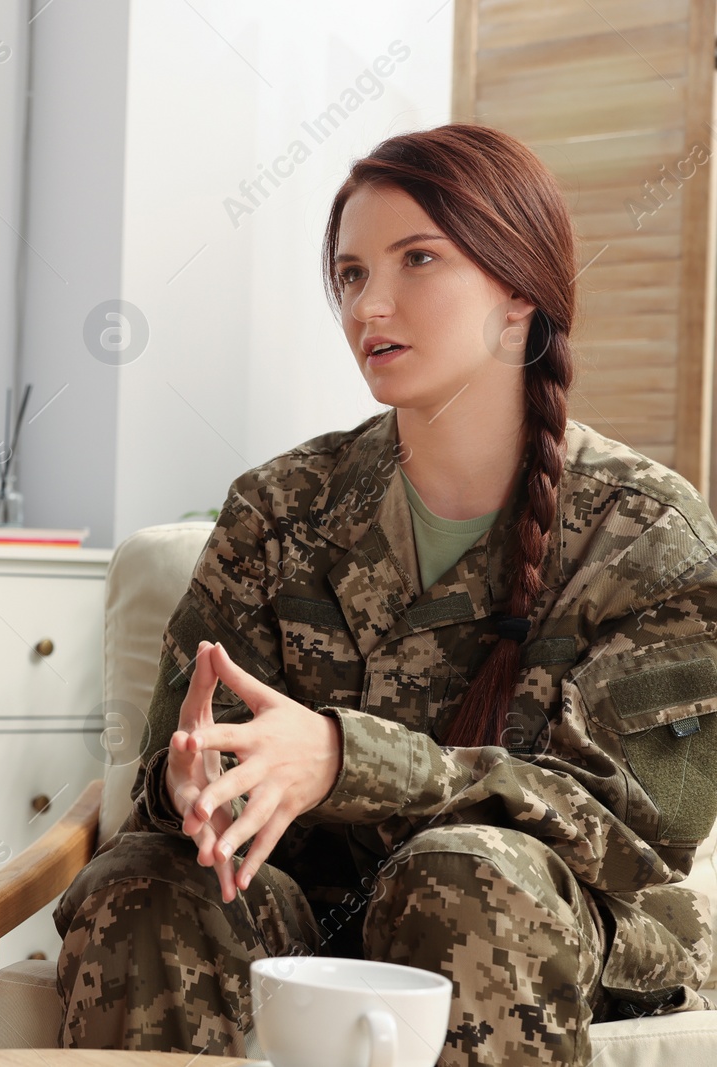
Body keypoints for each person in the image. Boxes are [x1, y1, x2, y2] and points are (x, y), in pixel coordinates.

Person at [53, 122, 717, 1066]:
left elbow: (632, 832)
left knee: (465, 877)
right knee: (152, 880)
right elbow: (171, 772)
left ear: (519, 293)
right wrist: (193, 780)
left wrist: (343, 757)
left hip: (544, 923)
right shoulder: (279, 510)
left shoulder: (649, 534)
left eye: (418, 260)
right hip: (306, 912)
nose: (373, 302)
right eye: (353, 273)